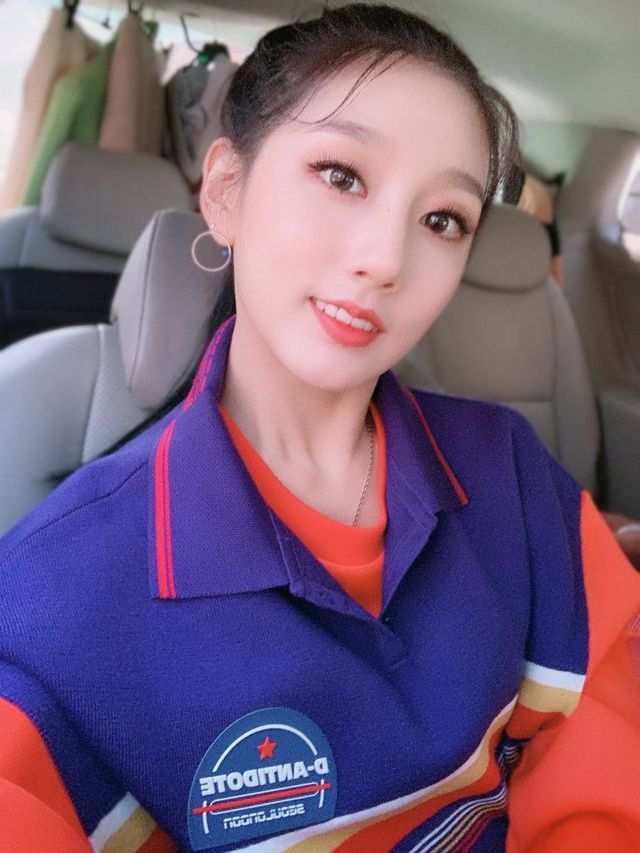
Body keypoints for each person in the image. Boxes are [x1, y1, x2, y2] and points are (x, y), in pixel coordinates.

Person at [1, 4, 639, 852]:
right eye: (341, 175)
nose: (386, 259)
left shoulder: (514, 475)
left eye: (442, 219)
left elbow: (601, 757)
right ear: (226, 191)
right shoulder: (46, 605)